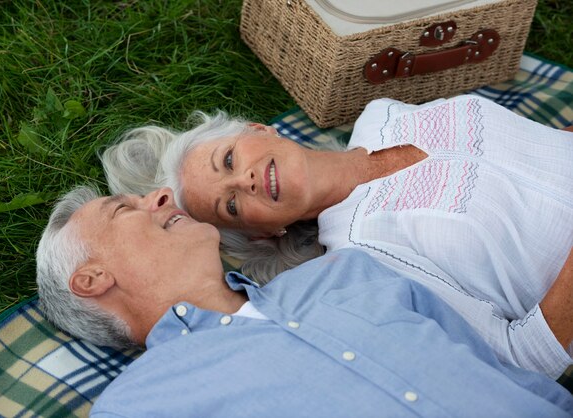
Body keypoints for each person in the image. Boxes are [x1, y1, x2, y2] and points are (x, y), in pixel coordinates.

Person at [101, 94, 573, 379]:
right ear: (266, 231)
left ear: (258, 130)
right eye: (230, 205)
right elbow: (521, 361)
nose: (241, 180)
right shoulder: (364, 258)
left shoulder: (384, 114)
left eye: (227, 160)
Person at [35, 186, 573, 417]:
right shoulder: (141, 407)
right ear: (92, 279)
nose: (158, 197)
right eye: (122, 209)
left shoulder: (344, 273)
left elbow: (502, 373)